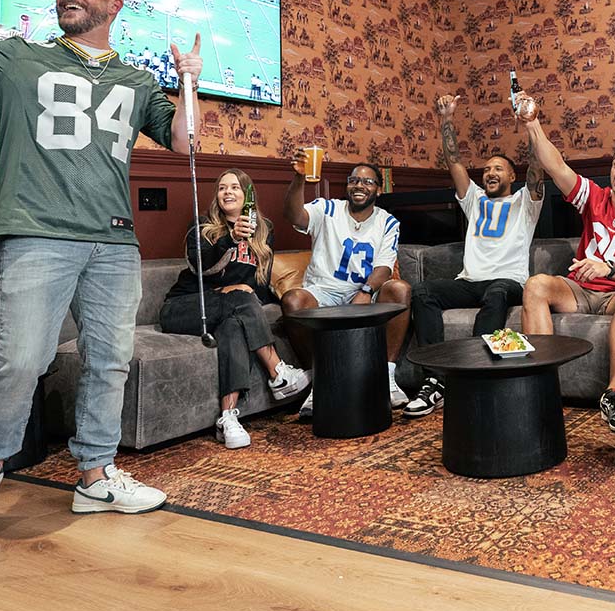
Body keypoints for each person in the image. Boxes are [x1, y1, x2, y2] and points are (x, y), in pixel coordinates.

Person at [0, 0, 202, 546]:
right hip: (35, 230)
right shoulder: (16, 56)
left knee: (109, 360)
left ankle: (95, 475)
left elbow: (187, 144)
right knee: (21, 360)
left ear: (113, 5)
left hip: (112, 240)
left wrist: (189, 80)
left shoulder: (139, 81)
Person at [519, 93, 615, 434]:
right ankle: (542, 389)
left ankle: (614, 395)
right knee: (536, 284)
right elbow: (555, 166)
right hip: (583, 290)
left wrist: (608, 269)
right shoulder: (595, 197)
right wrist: (532, 125)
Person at [404, 94, 544, 419]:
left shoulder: (525, 203)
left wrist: (530, 122)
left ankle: (475, 369)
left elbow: (538, 169)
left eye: (499, 169)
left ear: (512, 177)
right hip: (469, 282)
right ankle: (435, 380)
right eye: (487, 169)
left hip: (508, 283)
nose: (490, 173)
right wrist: (446, 119)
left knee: (496, 293)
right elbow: (453, 160)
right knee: (423, 292)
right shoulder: (475, 200)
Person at [159, 169, 309, 449]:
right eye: (222, 188)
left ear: (248, 196)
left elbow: (258, 285)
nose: (227, 192)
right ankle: (278, 372)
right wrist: (230, 240)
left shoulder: (264, 229)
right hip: (185, 307)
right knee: (240, 298)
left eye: (235, 188)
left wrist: (245, 292)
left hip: (229, 309)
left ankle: (228, 417)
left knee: (233, 325)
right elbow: (200, 268)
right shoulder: (202, 227)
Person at [281, 159, 411, 414]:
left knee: (400, 289)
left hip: (363, 292)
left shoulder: (388, 222)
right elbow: (294, 215)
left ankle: (387, 376)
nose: (359, 185)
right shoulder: (327, 209)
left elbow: (384, 268)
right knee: (292, 300)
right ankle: (319, 382)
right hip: (323, 290)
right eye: (353, 180)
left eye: (367, 181)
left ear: (378, 189)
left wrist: (365, 291)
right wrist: (298, 179)